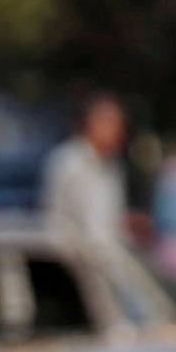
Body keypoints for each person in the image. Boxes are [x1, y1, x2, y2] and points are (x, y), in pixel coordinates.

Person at [42, 93, 134, 245]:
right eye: (113, 124)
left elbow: (110, 225)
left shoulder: (113, 166)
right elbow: (56, 222)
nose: (118, 132)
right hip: (76, 262)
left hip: (108, 261)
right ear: (93, 123)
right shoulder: (68, 162)